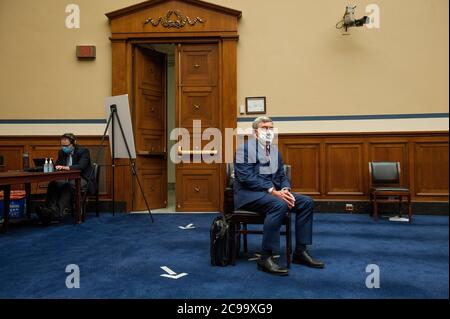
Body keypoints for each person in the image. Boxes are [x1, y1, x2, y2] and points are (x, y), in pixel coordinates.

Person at [233, 117, 325, 276]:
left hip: (272, 193)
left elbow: (281, 175)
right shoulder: (244, 149)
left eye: (271, 128)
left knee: (306, 202)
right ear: (256, 132)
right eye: (264, 128)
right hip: (249, 195)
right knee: (279, 204)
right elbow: (246, 178)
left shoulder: (274, 150)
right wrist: (273, 191)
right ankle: (266, 257)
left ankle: (300, 252)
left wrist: (286, 189)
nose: (268, 131)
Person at [36, 133, 96, 224]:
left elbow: (81, 166)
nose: (64, 148)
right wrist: (53, 167)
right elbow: (57, 165)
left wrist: (65, 167)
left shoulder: (83, 151)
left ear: (74, 143)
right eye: (62, 145)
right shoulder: (61, 152)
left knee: (68, 185)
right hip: (67, 178)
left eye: (66, 146)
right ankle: (48, 210)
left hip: (83, 179)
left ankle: (56, 213)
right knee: (53, 183)